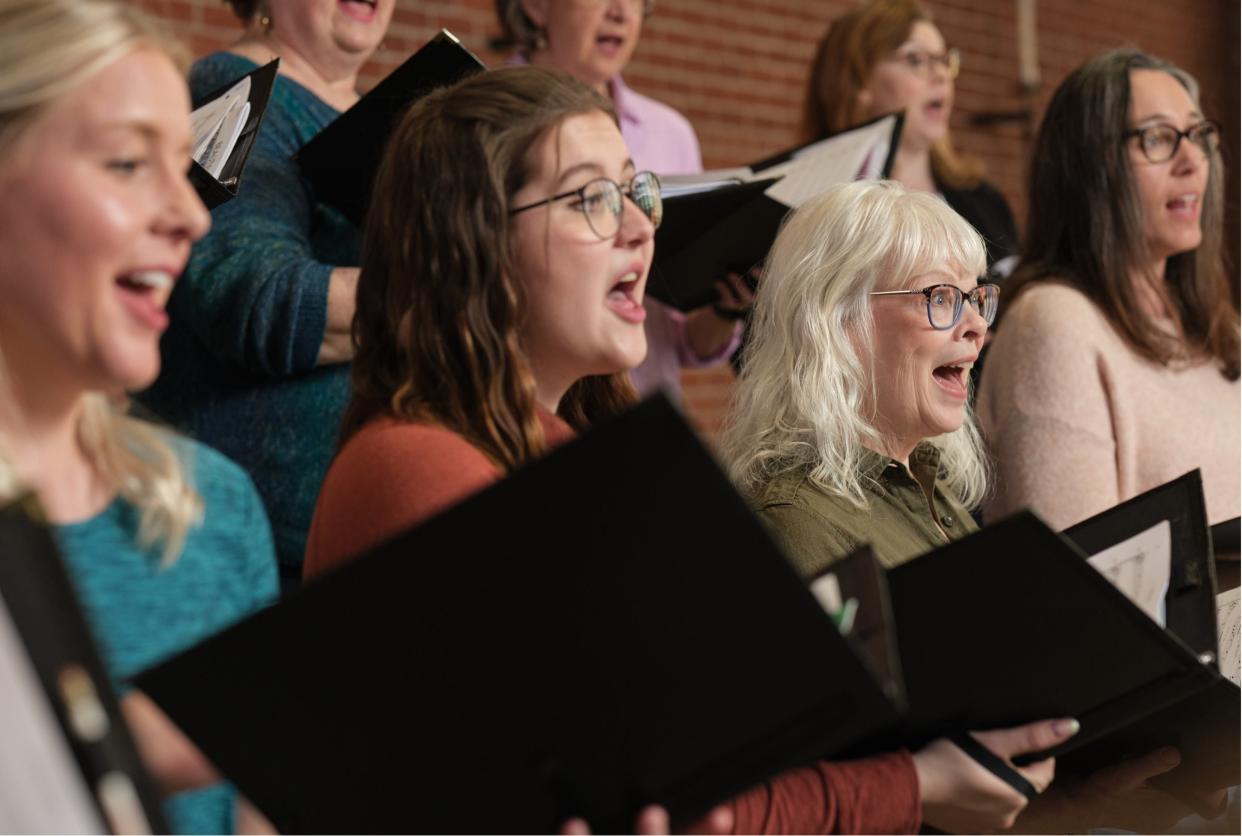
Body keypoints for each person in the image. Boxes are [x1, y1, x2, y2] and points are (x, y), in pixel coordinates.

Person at [304, 64, 1076, 835]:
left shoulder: (566, 462)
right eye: (591, 198)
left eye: (636, 193)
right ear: (471, 240)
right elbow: (685, 796)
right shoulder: (418, 465)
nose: (644, 226)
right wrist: (917, 785)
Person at [719, 178, 1214, 833]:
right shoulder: (793, 523)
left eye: (977, 296)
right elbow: (839, 805)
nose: (978, 324)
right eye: (942, 299)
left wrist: (1071, 797)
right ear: (837, 321)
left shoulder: (927, 487)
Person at [0, 1, 279, 833]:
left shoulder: (214, 512)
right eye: (127, 164)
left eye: (181, 167)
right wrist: (104, 754)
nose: (191, 215)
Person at [137, 0, 395, 584]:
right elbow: (252, 296)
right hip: (236, 543)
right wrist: (448, 292)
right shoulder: (234, 90)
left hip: (342, 538)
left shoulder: (382, 121)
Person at [978, 49, 1239, 530]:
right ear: (1090, 168)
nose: (1192, 161)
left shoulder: (1213, 326)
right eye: (1158, 138)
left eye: (1198, 134)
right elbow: (1080, 584)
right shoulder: (1054, 324)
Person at [493, 0, 753, 402]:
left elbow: (683, 341)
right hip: (522, 403)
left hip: (640, 409)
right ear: (537, 6)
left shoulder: (670, 132)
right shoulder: (484, 117)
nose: (621, 11)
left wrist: (725, 305)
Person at [802, 0, 1018, 274]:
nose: (941, 74)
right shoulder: (811, 208)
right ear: (857, 81)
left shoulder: (984, 201)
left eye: (943, 60)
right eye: (916, 60)